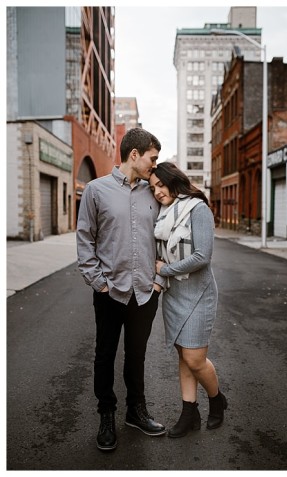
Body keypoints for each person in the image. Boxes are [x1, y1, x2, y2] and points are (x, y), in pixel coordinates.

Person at [77, 127, 168, 451]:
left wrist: (160, 282)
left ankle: (135, 411)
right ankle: (106, 414)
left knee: (137, 355)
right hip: (110, 291)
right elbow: (85, 237)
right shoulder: (95, 190)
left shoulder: (153, 193)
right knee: (104, 355)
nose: (154, 166)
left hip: (145, 291)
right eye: (152, 158)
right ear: (135, 155)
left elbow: (165, 238)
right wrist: (98, 283)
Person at [150, 162, 226, 437]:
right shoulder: (163, 215)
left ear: (173, 180)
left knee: (195, 359)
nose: (157, 192)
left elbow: (201, 257)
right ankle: (189, 412)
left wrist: (165, 270)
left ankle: (216, 400)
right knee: (183, 356)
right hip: (173, 295)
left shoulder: (198, 209)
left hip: (198, 295)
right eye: (152, 188)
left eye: (160, 184)